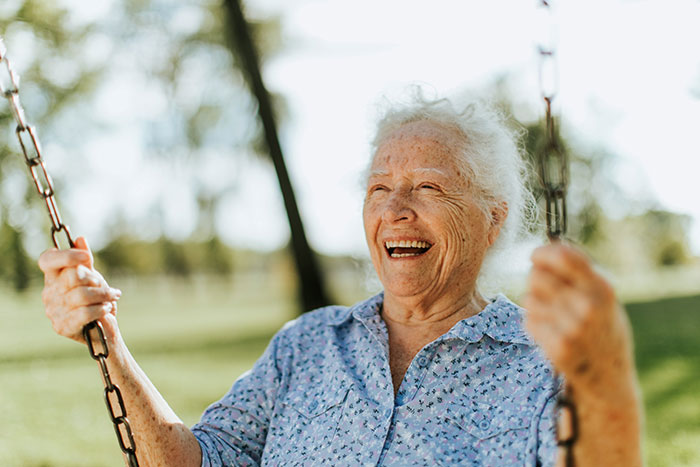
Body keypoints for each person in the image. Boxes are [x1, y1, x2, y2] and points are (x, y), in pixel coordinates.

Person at [39, 93, 642, 466]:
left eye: (428, 187)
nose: (395, 210)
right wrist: (109, 344)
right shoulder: (305, 347)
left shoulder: (545, 365)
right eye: (379, 189)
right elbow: (196, 463)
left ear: (492, 219)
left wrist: (606, 386)